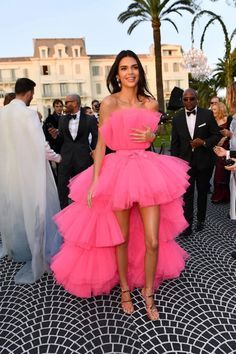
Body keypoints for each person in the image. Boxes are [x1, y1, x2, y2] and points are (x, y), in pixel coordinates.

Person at [51, 50, 190, 321]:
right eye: (124, 68)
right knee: (122, 238)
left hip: (148, 171)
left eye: (134, 67)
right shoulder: (109, 103)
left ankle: (148, 292)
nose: (130, 72)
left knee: (152, 240)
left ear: (139, 71)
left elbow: (151, 136)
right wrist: (94, 182)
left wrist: (152, 134)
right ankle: (125, 289)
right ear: (117, 73)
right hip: (118, 172)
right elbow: (101, 145)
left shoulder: (150, 103)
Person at [0, 78, 62, 284]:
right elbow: (41, 145)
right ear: (28, 93)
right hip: (30, 170)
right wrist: (58, 157)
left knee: (15, 209)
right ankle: (37, 251)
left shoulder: (2, 113)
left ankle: (19, 247)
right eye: (32, 93)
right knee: (38, 209)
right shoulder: (28, 114)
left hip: (8, 170)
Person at [171, 88, 221, 237]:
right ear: (182, 100)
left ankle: (201, 219)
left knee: (202, 192)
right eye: (185, 99)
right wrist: (175, 164)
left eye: (191, 98)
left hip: (205, 162)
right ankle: (187, 225)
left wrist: (204, 142)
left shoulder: (207, 114)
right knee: (187, 194)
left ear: (197, 99)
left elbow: (216, 135)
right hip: (185, 163)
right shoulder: (177, 118)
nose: (188, 102)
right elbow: (174, 143)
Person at [48, 94, 98, 209]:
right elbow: (61, 139)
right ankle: (64, 211)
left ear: (75, 103)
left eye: (67, 102)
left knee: (83, 186)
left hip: (83, 158)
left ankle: (83, 210)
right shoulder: (62, 119)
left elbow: (96, 137)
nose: (65, 105)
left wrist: (94, 151)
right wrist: (55, 136)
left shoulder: (90, 119)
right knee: (62, 187)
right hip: (65, 158)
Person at [211, 102, 232, 204]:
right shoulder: (212, 121)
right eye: (212, 109)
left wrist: (224, 138)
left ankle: (227, 195)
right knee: (219, 171)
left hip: (227, 147)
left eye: (214, 109)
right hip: (217, 148)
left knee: (226, 170)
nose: (212, 111)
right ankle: (218, 195)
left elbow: (232, 133)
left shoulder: (228, 119)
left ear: (220, 109)